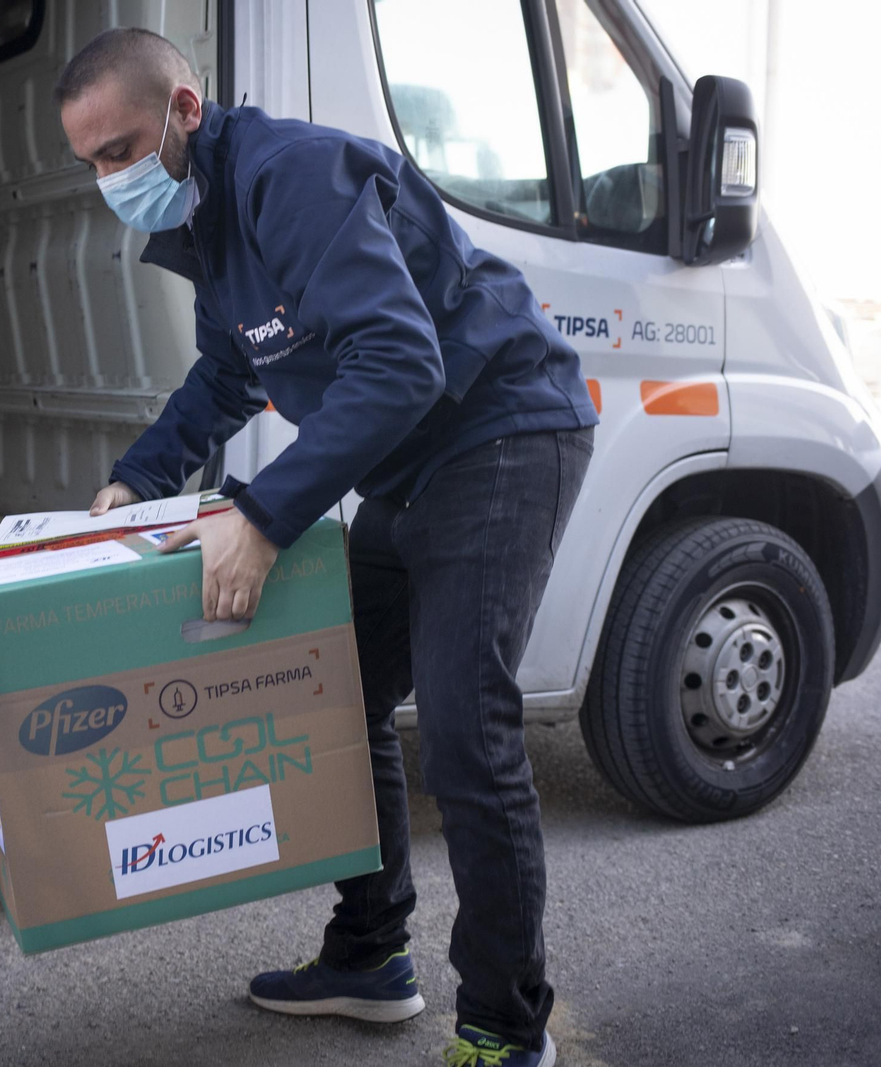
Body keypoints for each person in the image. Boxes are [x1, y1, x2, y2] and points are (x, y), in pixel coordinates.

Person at [56, 27, 596, 1067]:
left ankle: (502, 1021)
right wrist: (136, 478)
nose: (107, 179)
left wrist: (260, 517)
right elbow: (224, 378)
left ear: (183, 111)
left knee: (463, 730)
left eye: (119, 150)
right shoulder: (210, 228)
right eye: (90, 163)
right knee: (336, 699)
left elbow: (398, 362)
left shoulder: (289, 175)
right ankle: (369, 956)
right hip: (409, 462)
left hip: (500, 431)